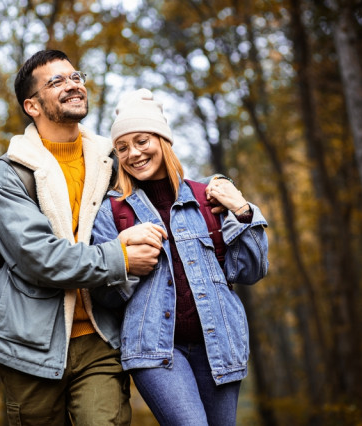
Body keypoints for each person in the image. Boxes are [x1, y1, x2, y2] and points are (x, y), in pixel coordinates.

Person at [0, 51, 167, 425]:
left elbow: (167, 194)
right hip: (29, 343)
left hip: (101, 335)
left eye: (75, 76)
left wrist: (222, 192)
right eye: (57, 82)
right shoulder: (9, 176)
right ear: (32, 105)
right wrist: (122, 259)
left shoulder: (111, 160)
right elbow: (40, 259)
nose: (73, 85)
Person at [90, 88, 269, 426]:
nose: (134, 154)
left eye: (142, 141)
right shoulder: (112, 212)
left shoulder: (208, 198)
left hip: (219, 345)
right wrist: (127, 260)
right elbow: (105, 296)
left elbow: (250, 270)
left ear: (162, 140)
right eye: (123, 147)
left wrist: (244, 211)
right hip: (156, 352)